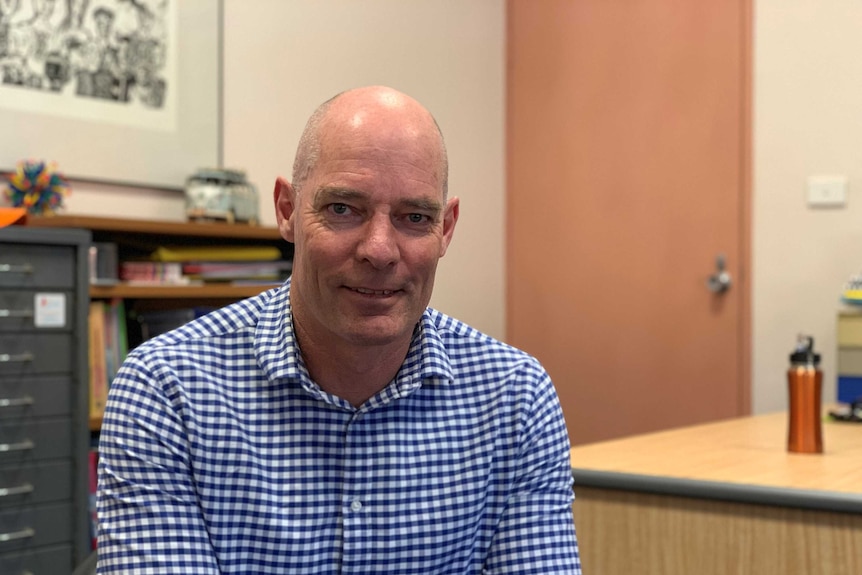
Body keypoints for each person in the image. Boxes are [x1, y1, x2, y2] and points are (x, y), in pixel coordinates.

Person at [96, 85, 581, 574]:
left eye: (415, 217)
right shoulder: (166, 390)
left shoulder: (515, 397)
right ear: (287, 210)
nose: (380, 250)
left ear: (446, 228)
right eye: (343, 210)